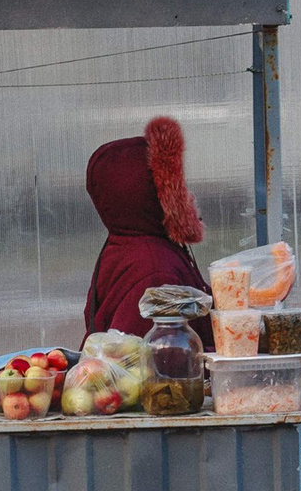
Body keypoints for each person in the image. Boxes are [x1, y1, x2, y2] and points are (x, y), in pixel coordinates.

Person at [82, 115, 210, 338]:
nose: (190, 195)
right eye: (179, 187)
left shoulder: (128, 242)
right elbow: (154, 361)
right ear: (157, 196)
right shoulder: (155, 267)